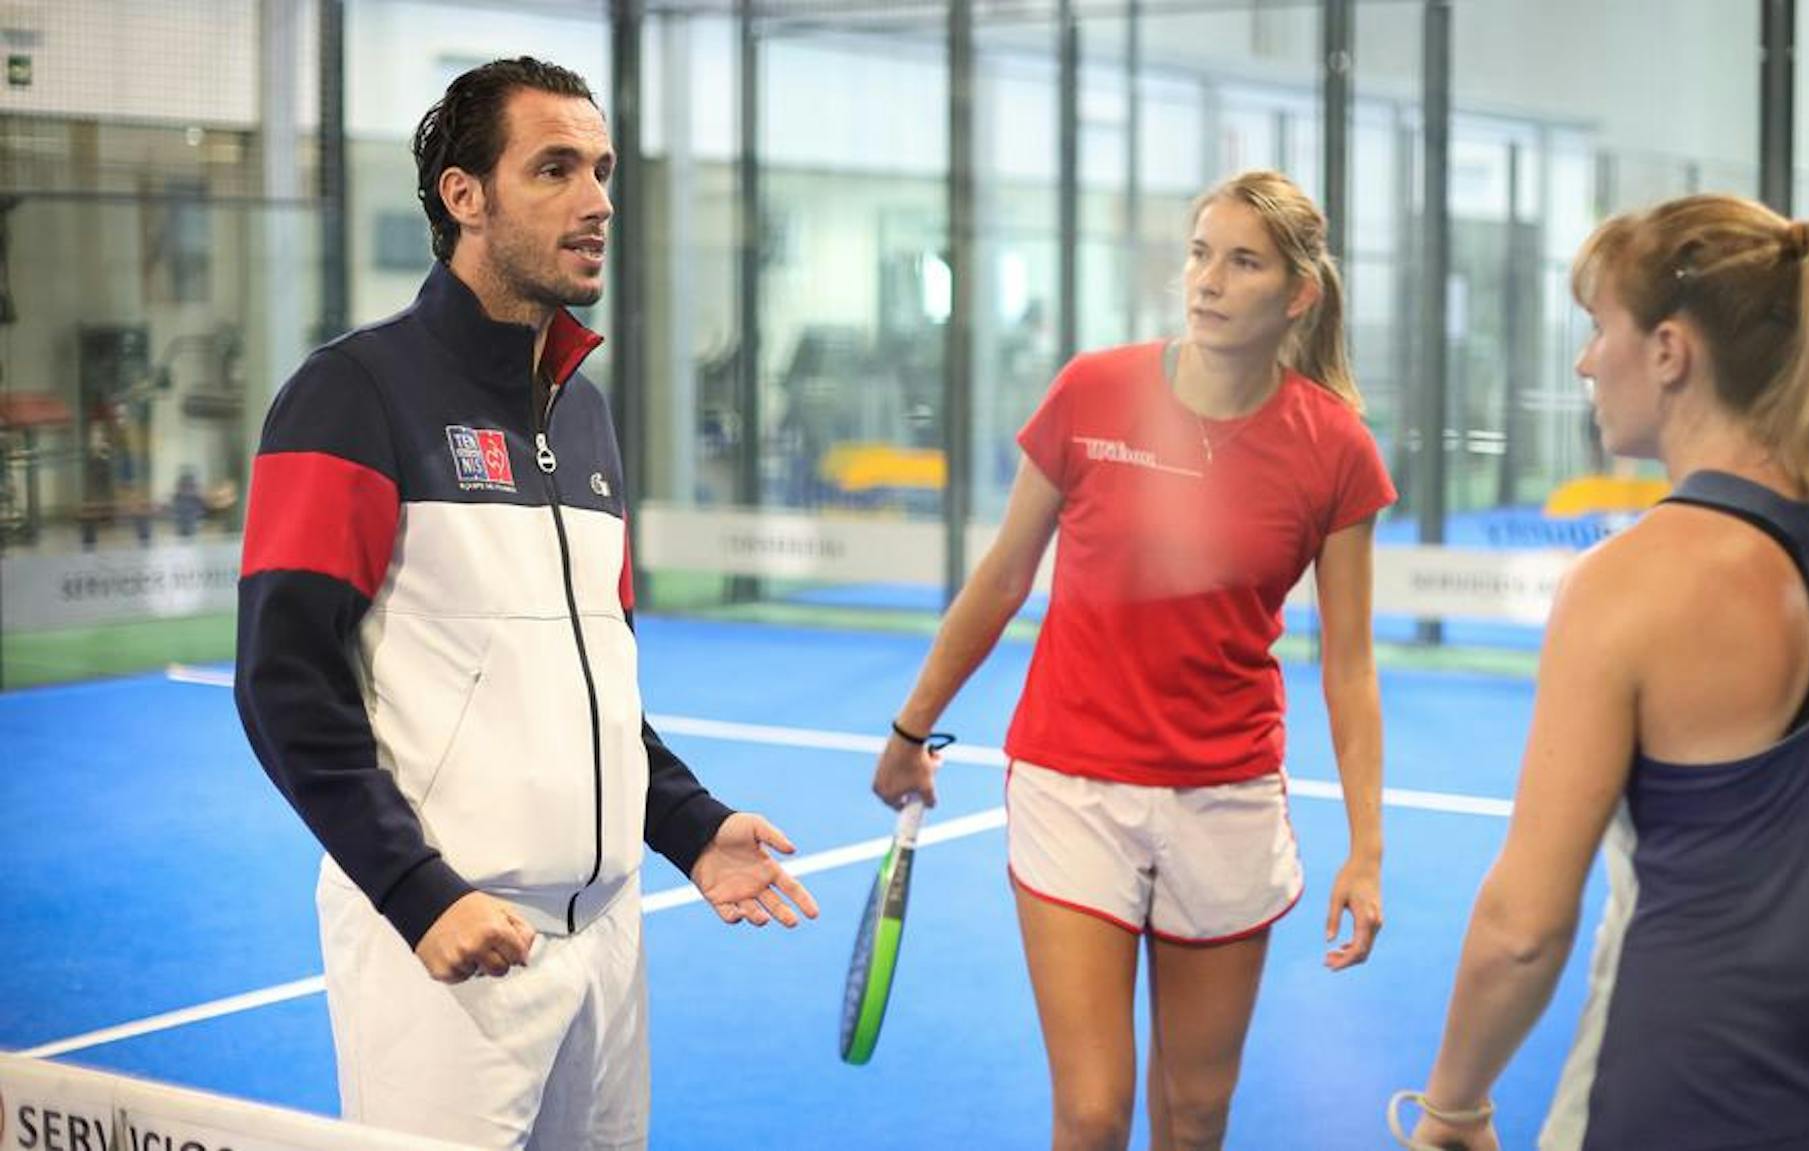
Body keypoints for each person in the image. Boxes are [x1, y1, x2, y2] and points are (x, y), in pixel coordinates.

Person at [234, 57, 818, 1151]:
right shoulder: (349, 394)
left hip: (606, 940)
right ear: (466, 196)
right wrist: (418, 893)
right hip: (449, 944)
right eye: (554, 168)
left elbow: (594, 686)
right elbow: (282, 682)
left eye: (600, 169)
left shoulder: (584, 416)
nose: (597, 200)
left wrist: (688, 826)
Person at [1394, 193, 1809, 1151]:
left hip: (1662, 1103)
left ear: (1669, 350)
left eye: (1597, 328)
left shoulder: (1623, 586)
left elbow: (1524, 924)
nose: (1584, 361)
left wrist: (1453, 1107)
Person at [870, 169, 1397, 1151]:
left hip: (1227, 795)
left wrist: (1365, 849)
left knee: (1193, 1116)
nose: (1206, 279)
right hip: (1071, 785)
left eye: (1241, 261)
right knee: (1092, 1108)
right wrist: (910, 728)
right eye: (1199, 252)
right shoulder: (1091, 389)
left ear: (1296, 293)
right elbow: (1000, 578)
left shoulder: (1337, 450)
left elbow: (1350, 666)